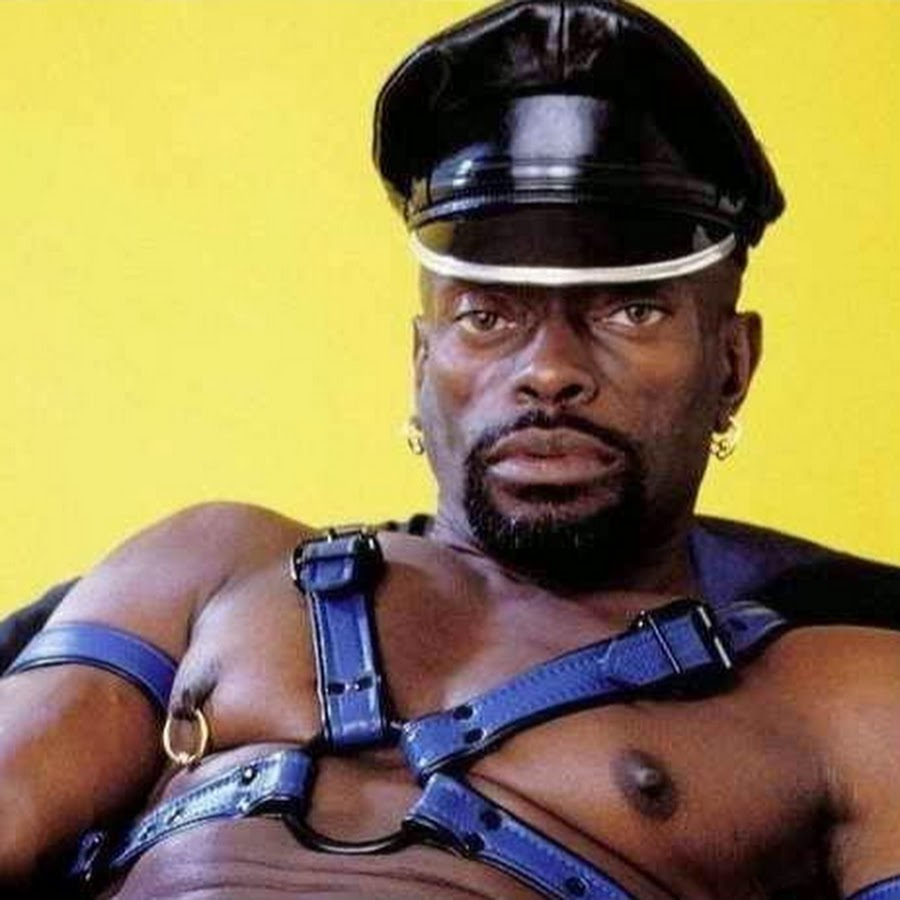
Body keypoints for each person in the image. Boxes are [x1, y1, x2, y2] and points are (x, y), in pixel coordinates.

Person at [2, 1, 900, 898]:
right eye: (487, 316)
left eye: (630, 312)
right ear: (422, 360)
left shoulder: (844, 698)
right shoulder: (213, 564)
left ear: (732, 363)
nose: (550, 371)